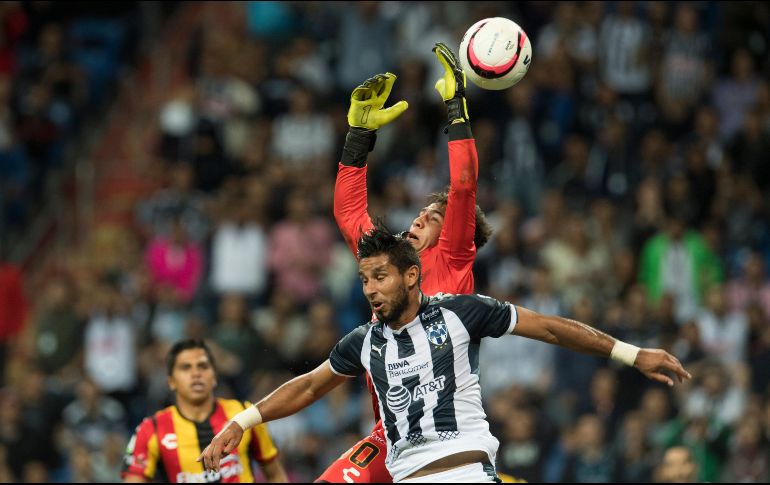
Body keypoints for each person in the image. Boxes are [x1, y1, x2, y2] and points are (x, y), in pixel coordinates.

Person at [198, 228, 691, 483]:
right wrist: (243, 420)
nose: (370, 289)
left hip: (467, 473)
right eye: (365, 280)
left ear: (411, 276)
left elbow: (548, 328)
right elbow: (308, 385)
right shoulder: (363, 341)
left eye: (380, 277)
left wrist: (632, 353)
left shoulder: (462, 312)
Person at [323, 42, 491, 483]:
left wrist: (456, 110)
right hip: (392, 435)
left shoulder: (453, 259)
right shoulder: (388, 262)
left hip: (447, 434)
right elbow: (349, 214)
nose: (419, 218)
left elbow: (463, 184)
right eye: (420, 212)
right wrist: (358, 137)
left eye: (433, 218)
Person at [122, 339, 288, 483]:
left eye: (203, 366)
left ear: (214, 377)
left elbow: (275, 475)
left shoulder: (244, 414)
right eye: (185, 367)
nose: (196, 373)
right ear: (171, 382)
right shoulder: (151, 429)